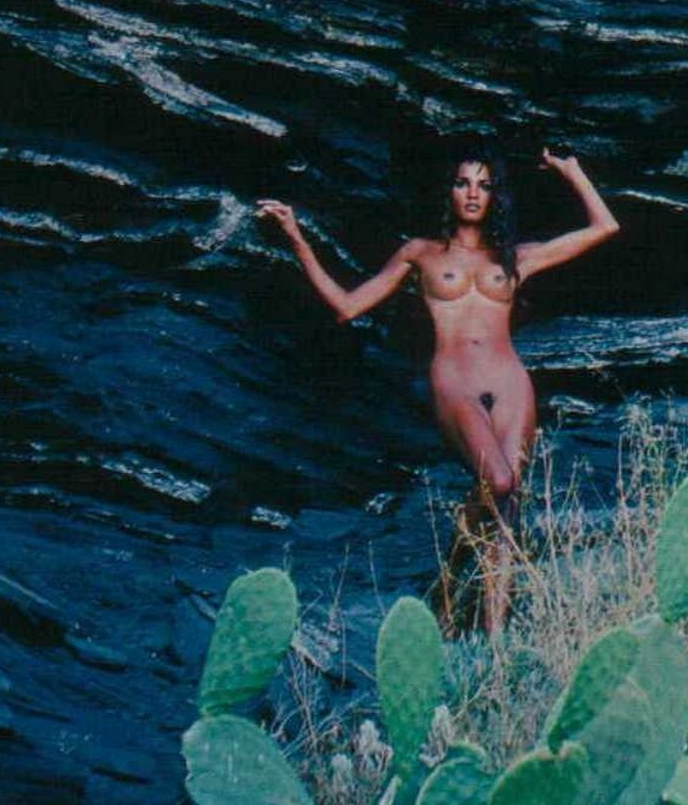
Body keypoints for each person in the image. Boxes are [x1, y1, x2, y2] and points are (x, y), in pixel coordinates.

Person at [255, 139, 619, 632]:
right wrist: (296, 236)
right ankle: (449, 579)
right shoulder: (420, 253)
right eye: (463, 183)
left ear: (494, 196)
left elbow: (605, 227)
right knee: (499, 482)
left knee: (509, 507)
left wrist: (572, 172)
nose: (472, 193)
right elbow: (346, 307)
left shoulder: (516, 258)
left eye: (483, 185)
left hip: (509, 378)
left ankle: (493, 639)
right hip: (454, 379)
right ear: (449, 191)